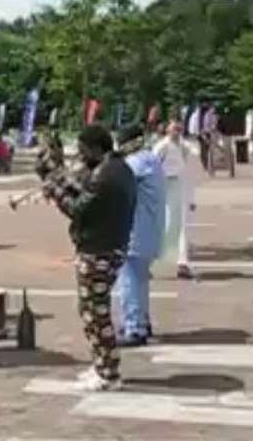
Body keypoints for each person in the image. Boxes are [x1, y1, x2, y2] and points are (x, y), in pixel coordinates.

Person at [44, 124, 136, 392]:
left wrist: (56, 191)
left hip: (99, 249)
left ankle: (109, 372)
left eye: (84, 151)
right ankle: (101, 364)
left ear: (97, 148)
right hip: (111, 245)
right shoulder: (118, 169)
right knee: (90, 310)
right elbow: (86, 194)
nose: (82, 157)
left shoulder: (104, 176)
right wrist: (60, 179)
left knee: (96, 312)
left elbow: (78, 209)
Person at [117, 125, 166, 347]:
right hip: (147, 230)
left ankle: (134, 327)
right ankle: (142, 321)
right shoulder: (151, 159)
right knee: (139, 280)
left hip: (136, 231)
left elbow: (118, 183)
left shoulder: (137, 162)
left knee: (130, 281)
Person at [154, 120, 198, 279]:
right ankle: (148, 262)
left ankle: (183, 263)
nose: (176, 132)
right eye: (173, 129)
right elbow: (153, 168)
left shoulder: (185, 147)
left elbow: (189, 174)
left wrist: (192, 199)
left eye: (179, 129)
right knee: (167, 227)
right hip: (167, 187)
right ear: (167, 129)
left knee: (183, 227)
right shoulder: (162, 147)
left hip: (181, 188)